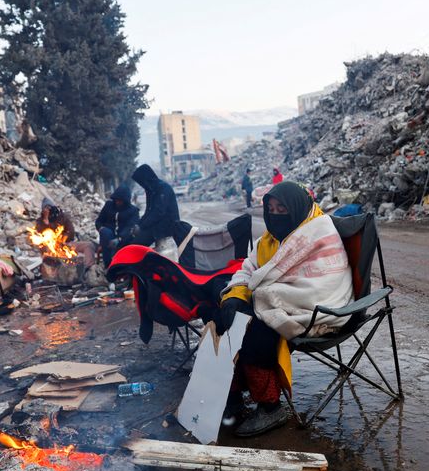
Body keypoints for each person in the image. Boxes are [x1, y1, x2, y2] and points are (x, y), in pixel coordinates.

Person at [214, 182, 354, 437]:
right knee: (227, 315)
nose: (276, 214)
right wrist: (236, 295)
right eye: (271, 208)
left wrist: (259, 297)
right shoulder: (268, 239)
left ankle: (271, 406)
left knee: (256, 330)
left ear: (298, 208)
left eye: (282, 208)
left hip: (319, 310)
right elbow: (249, 268)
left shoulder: (317, 232)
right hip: (275, 300)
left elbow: (322, 286)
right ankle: (232, 395)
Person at [130, 164, 180, 246]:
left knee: (137, 244)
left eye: (141, 181)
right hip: (157, 224)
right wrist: (138, 224)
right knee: (132, 240)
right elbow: (148, 211)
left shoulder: (163, 188)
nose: (141, 184)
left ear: (146, 178)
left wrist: (142, 227)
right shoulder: (150, 189)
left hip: (168, 226)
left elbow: (158, 212)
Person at [95, 185, 140, 266]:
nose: (117, 202)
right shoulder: (109, 205)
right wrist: (101, 228)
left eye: (120, 201)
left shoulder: (133, 211)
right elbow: (99, 221)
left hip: (124, 239)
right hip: (108, 237)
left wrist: (119, 239)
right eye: (116, 200)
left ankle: (117, 265)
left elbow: (130, 227)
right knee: (106, 233)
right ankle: (108, 265)